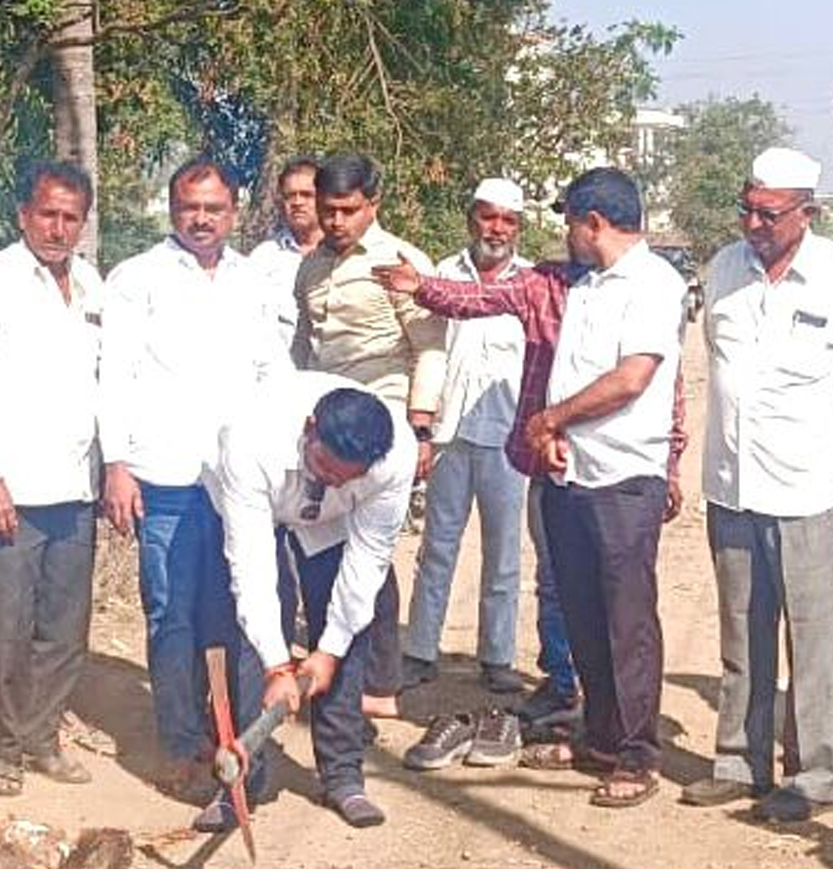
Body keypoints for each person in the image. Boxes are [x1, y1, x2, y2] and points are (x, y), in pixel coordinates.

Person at [373, 230, 691, 748]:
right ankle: (568, 689)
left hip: (619, 472)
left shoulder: (643, 288)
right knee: (560, 585)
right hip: (548, 462)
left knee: (621, 606)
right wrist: (423, 287)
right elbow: (478, 298)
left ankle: (630, 744)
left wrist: (671, 461)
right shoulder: (547, 285)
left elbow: (662, 384)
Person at [692, 148, 833, 822]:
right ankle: (738, 762)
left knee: (811, 639)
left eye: (768, 214)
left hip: (805, 491)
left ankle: (812, 775)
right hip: (732, 485)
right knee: (741, 633)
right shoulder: (725, 269)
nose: (753, 224)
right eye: (746, 209)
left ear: (807, 213)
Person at [99, 158, 284, 803]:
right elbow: (115, 374)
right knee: (171, 614)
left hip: (238, 480)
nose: (201, 219)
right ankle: (178, 743)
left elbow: (272, 373)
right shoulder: (137, 279)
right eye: (189, 207)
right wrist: (117, 465)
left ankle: (226, 735)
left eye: (214, 208)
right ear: (172, 209)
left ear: (235, 211)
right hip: (165, 475)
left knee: (230, 613)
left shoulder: (253, 281)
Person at [520, 167, 684, 810]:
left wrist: (551, 419)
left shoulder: (653, 283)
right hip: (574, 471)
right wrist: (553, 433)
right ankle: (600, 735)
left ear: (594, 222)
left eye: (570, 223)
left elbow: (631, 378)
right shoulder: (587, 286)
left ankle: (638, 753)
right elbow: (572, 373)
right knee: (583, 611)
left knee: (626, 619)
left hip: (624, 477)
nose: (566, 235)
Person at [0, 160, 104, 798]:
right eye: (47, 214)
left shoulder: (91, 286)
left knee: (64, 627)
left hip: (75, 487)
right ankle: (5, 747)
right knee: (7, 627)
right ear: (23, 215)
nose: (58, 228)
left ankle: (43, 737)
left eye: (70, 218)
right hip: (7, 490)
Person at [199, 373, 416, 831]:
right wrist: (278, 668)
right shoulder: (250, 441)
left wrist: (329, 651)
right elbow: (252, 568)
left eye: (347, 477)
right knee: (251, 634)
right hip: (255, 503)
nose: (332, 479)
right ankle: (241, 782)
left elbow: (368, 559)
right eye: (325, 466)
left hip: (333, 523)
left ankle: (343, 776)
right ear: (310, 427)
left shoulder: (395, 457)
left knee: (347, 630)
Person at [291, 153, 446, 718]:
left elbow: (430, 349)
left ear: (373, 204)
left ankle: (379, 683)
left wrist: (421, 428)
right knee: (322, 543)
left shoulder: (401, 262)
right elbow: (305, 346)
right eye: (327, 210)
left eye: (348, 210)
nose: (336, 221)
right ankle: (332, 664)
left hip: (384, 424)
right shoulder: (310, 268)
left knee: (370, 548)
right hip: (326, 428)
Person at [401, 178, 533, 698]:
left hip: (508, 437)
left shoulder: (532, 284)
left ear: (518, 228)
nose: (496, 229)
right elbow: (427, 352)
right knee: (437, 546)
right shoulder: (440, 275)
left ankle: (497, 656)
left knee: (503, 555)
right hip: (450, 432)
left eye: (507, 220)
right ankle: (420, 650)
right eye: (488, 216)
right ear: (470, 218)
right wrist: (422, 427)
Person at [247, 156, 323, 355]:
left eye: (307, 195)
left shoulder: (344, 253)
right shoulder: (264, 258)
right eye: (290, 196)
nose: (297, 202)